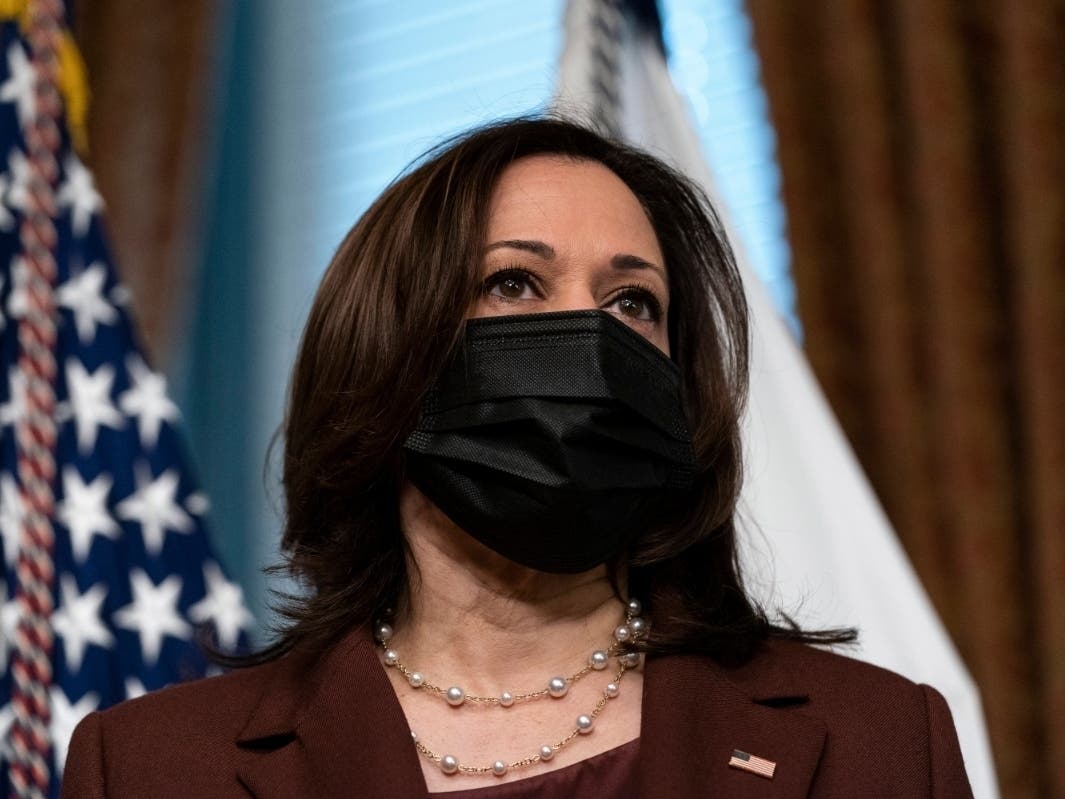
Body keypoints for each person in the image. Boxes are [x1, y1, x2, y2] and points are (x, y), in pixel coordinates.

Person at [61, 117, 973, 798]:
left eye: (631, 303)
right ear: (388, 351)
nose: (585, 333)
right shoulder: (151, 766)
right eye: (512, 283)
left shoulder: (878, 742)